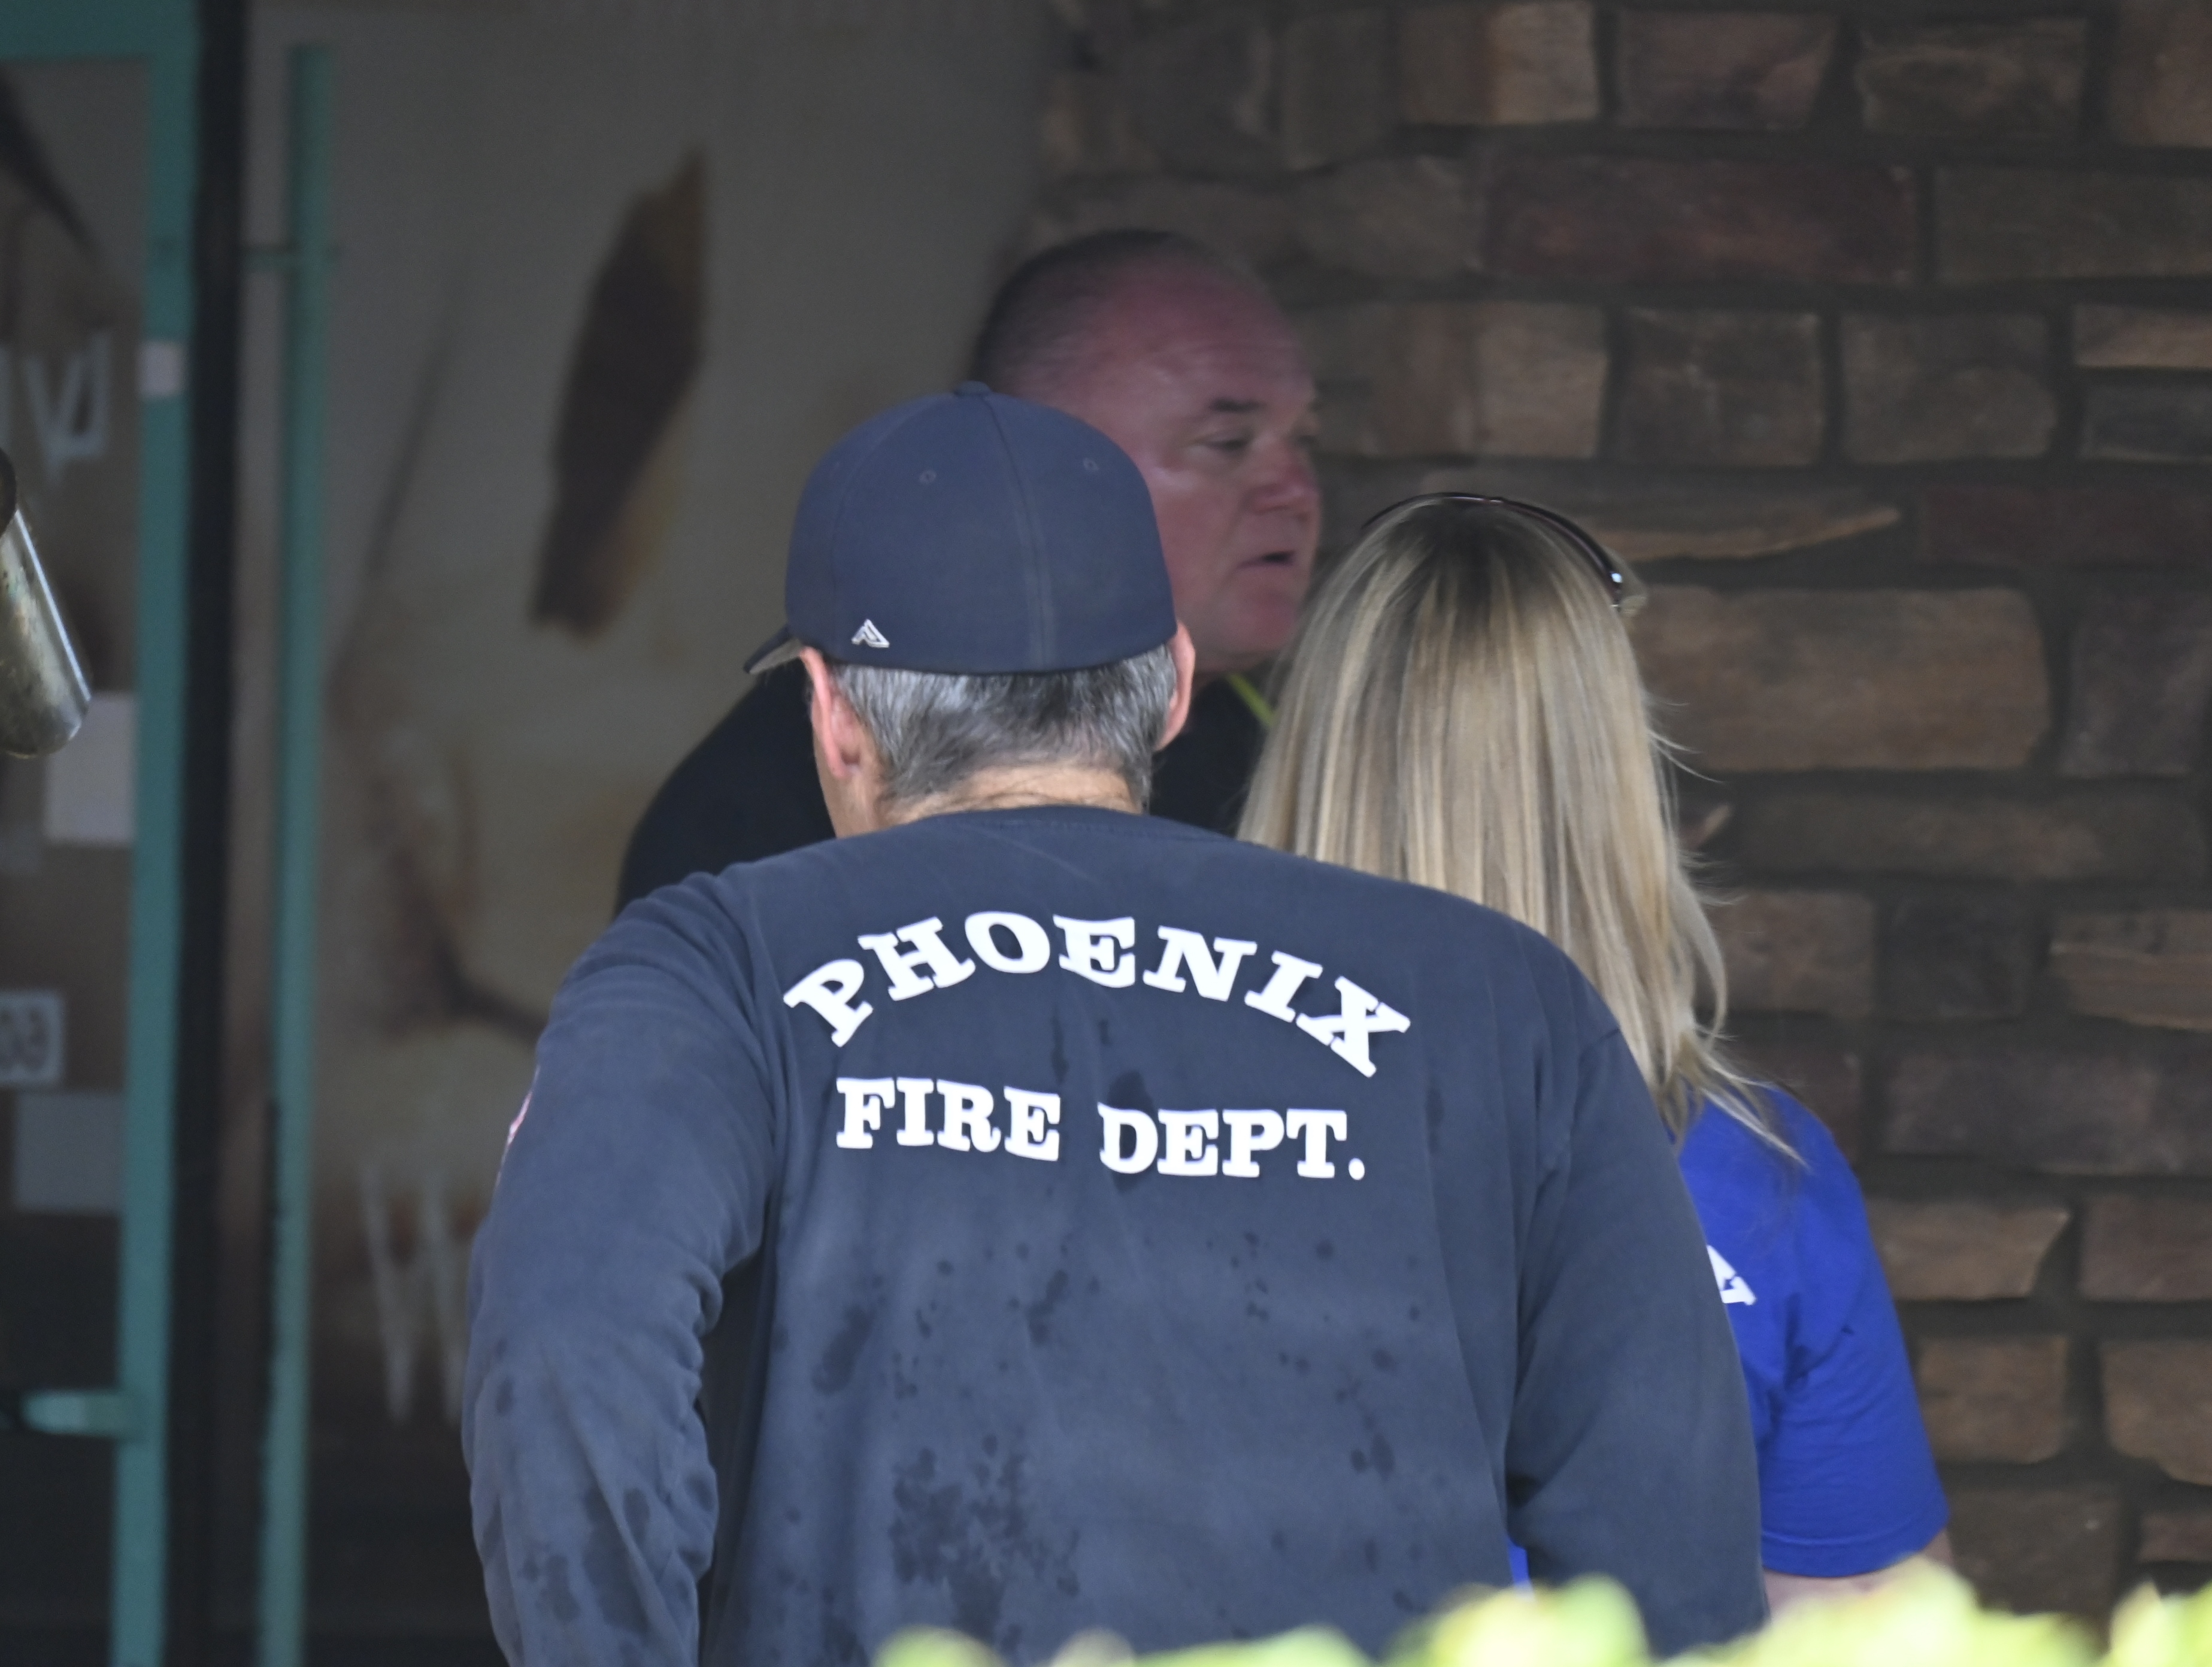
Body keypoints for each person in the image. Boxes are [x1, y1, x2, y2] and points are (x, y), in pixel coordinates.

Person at [465, 390, 1767, 1667]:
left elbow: (567, 1343)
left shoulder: (713, 965)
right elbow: (1668, 1519)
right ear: (1174, 688)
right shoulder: (1498, 996)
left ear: (832, 713)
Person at [1238, 494, 1952, 1616]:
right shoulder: (1759, 1178)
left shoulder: (1148, 1134)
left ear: (1311, 759)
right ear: (1613, 781)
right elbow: (1862, 1614)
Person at [614, 229, 1319, 907]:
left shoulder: (1273, 733)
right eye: (1227, 442)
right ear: (1038, 460)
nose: (1296, 490)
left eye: (1302, 439)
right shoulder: (749, 840)